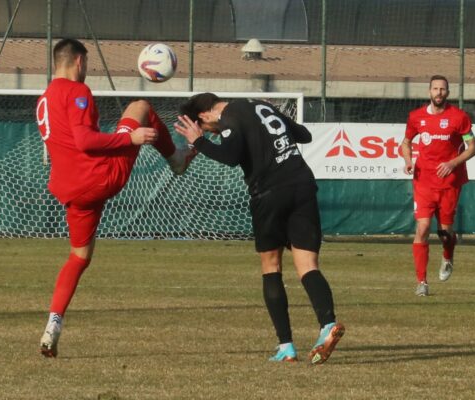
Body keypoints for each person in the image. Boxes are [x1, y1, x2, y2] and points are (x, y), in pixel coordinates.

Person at [35, 38, 195, 357]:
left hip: (70, 190)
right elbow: (84, 141)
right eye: (88, 63)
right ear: (79, 61)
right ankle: (176, 159)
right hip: (98, 177)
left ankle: (54, 323)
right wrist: (131, 138)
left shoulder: (45, 97)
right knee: (140, 108)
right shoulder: (77, 90)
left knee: (79, 257)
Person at [174, 93, 344, 364]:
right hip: (302, 184)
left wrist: (199, 141)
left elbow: (230, 156)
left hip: (270, 193)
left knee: (271, 266)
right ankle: (327, 325)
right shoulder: (260, 105)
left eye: (207, 128)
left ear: (205, 116)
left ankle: (286, 346)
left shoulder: (228, 116)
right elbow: (303, 134)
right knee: (308, 265)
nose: (213, 133)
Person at [401, 75, 475, 296]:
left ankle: (447, 255)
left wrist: (453, 163)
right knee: (423, 228)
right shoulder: (416, 117)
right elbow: (405, 143)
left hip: (449, 183)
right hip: (423, 181)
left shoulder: (459, 117)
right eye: (435, 89)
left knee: (445, 232)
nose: (439, 92)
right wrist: (408, 161)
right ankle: (422, 282)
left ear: (448, 92)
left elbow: (473, 147)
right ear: (429, 92)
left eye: (443, 89)